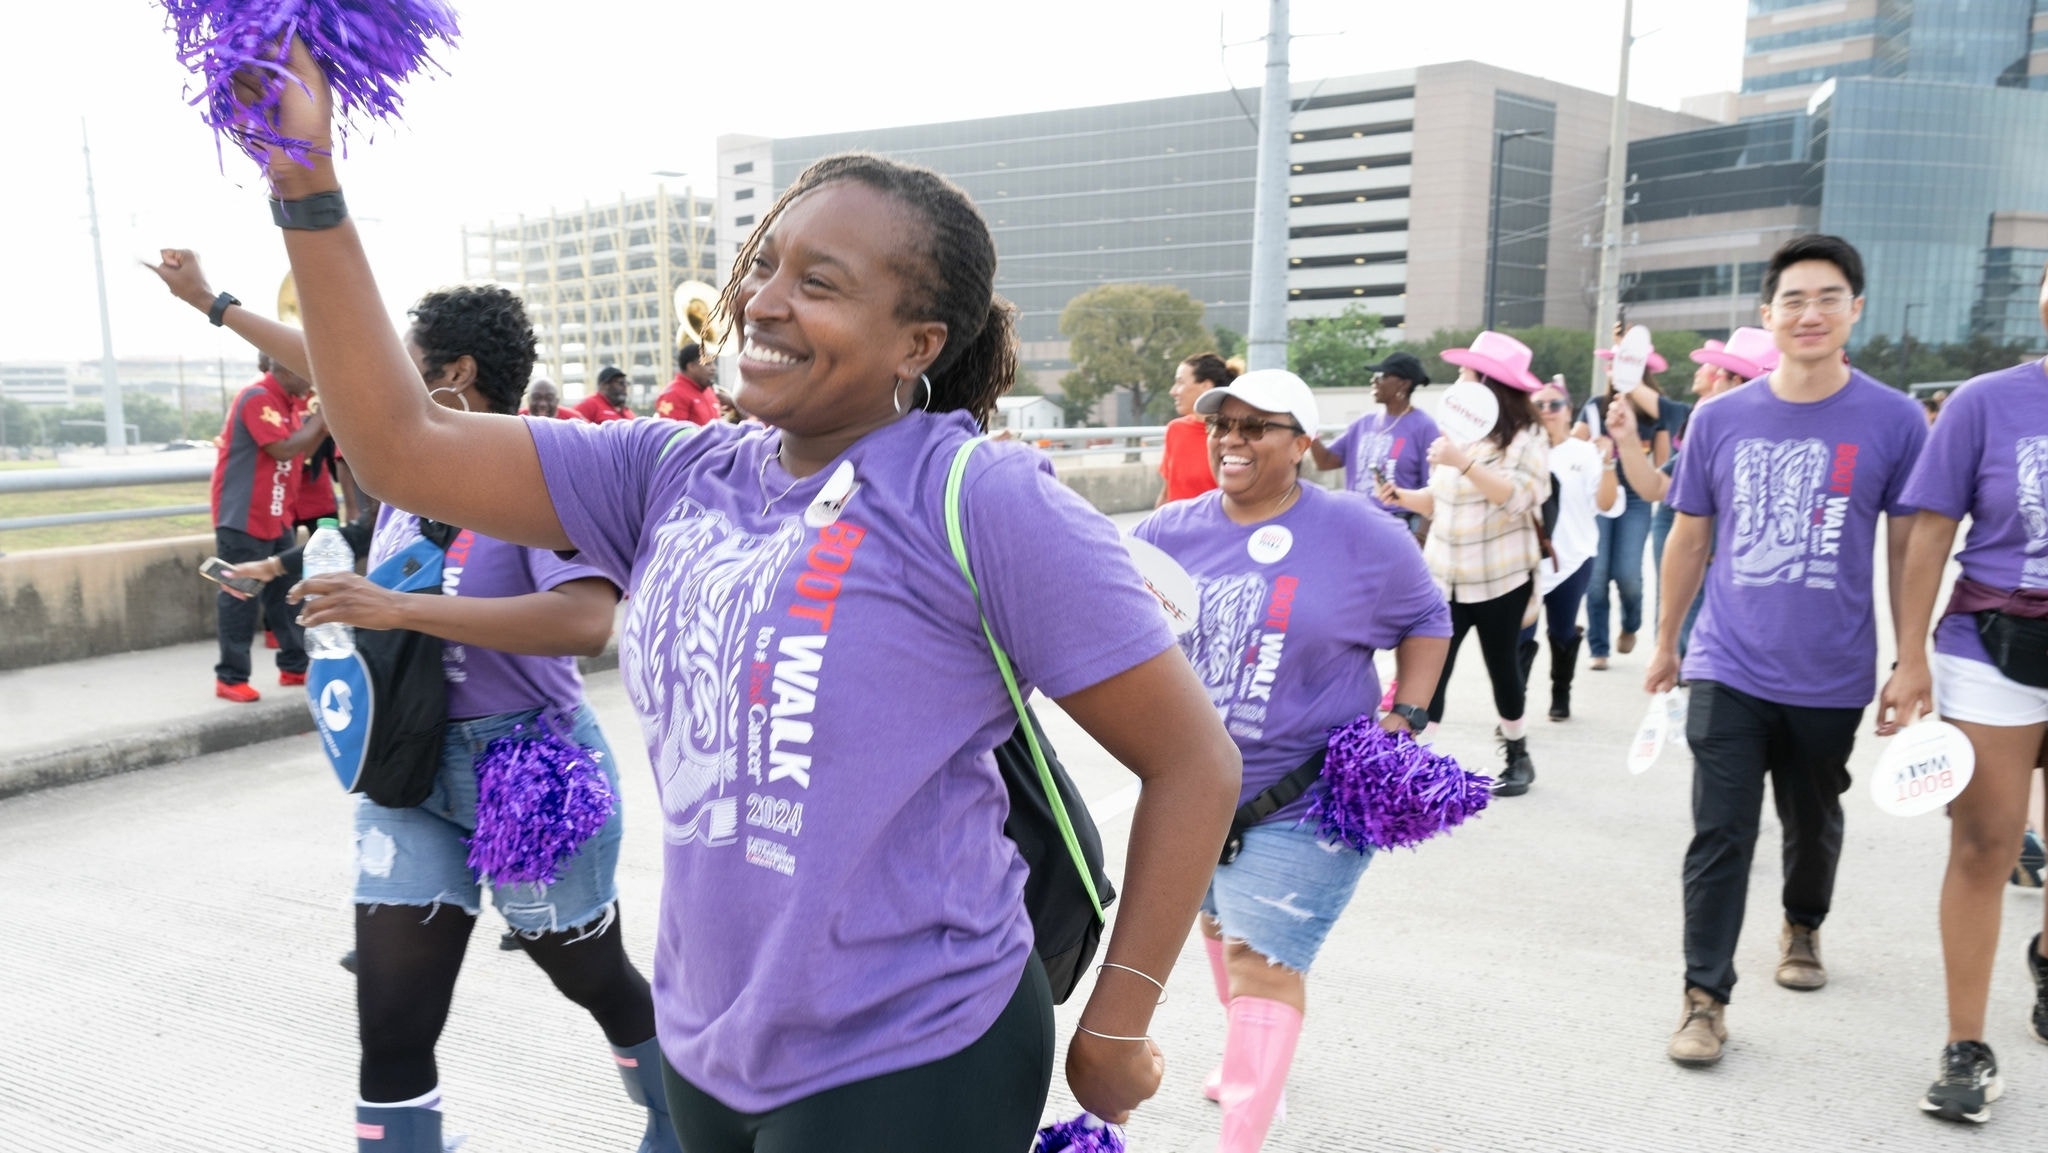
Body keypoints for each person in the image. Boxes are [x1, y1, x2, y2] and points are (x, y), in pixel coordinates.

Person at [231, 44, 1241, 1151]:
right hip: (708, 1039)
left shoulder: (977, 496)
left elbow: (1192, 758)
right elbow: (401, 446)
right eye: (764, 265)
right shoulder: (667, 473)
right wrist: (302, 177)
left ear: (920, 342)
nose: (762, 300)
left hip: (914, 1047)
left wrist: (1119, 1014)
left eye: (819, 284)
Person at [149, 252, 678, 1151]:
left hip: (529, 773)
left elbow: (585, 622)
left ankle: (682, 1115)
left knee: (593, 975)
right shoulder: (406, 459)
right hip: (411, 771)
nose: (376, 366)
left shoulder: (543, 471)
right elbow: (325, 358)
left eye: (404, 352)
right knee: (391, 1021)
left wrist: (396, 607)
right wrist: (212, 302)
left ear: (454, 373)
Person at [1133, 369, 1450, 1152]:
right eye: (1224, 425)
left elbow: (1426, 618)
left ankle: (1244, 1131)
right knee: (1214, 920)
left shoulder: (1360, 531)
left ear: (1301, 443)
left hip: (1307, 790)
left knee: (1262, 956)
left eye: (1256, 427)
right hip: (1191, 786)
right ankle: (1252, 1058)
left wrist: (1405, 715)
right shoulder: (1169, 532)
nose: (1232, 439)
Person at [1649, 233, 1927, 1068]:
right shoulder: (1721, 417)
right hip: (1727, 662)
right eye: (1794, 300)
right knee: (1719, 832)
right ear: (1767, 315)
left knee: (1813, 816)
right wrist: (1667, 641)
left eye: (1828, 297)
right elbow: (1689, 536)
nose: (1810, 313)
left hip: (1832, 670)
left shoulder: (1893, 418)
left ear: (1855, 309)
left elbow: (1908, 547)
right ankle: (1704, 997)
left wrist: (1911, 658)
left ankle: (1803, 924)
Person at [1879, 263, 2048, 1124]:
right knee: (1986, 842)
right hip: (1993, 639)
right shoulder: (1987, 402)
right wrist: (1911, 655)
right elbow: (1933, 529)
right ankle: (1966, 1046)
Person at [1376, 331, 1550, 794]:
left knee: (1503, 671)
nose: (1458, 377)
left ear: (1488, 380)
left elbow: (1519, 498)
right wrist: (1401, 497)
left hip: (1500, 579)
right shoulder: (1458, 430)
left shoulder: (1528, 435)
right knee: (1432, 673)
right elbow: (1441, 500)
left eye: (1466, 370)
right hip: (1442, 578)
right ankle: (1414, 763)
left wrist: (1463, 463)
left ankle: (1518, 755)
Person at [204, 350, 322, 702]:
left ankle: (294, 666)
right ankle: (231, 677)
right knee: (240, 596)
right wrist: (323, 415)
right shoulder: (258, 397)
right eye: (307, 371)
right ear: (285, 367)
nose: (312, 380)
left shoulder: (288, 402)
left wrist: (320, 420)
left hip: (276, 515)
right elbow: (282, 449)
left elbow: (308, 449)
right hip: (242, 517)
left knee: (287, 596)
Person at [1517, 377, 1621, 721]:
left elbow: (1608, 505)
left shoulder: (1585, 453)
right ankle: (1513, 709)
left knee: (1562, 631)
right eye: (1539, 405)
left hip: (1573, 559)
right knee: (1520, 636)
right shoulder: (1519, 449)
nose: (1546, 411)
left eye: (1554, 405)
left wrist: (1607, 463)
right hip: (1525, 562)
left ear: (1568, 412)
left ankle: (1561, 692)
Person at [1573, 341, 1674, 670]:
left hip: (1636, 498)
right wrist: (1591, 448)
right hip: (1600, 494)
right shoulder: (1594, 408)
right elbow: (1569, 451)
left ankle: (1631, 625)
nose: (1619, 371)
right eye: (1615, 365)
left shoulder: (1654, 415)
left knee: (1629, 575)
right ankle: (1598, 647)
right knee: (1597, 576)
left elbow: (1664, 466)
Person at [1309, 351, 1438, 543]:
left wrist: (1420, 537)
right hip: (1356, 523)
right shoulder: (1363, 423)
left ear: (1404, 383)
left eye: (1382, 376)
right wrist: (1308, 429)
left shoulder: (1424, 427)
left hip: (1398, 528)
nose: (1374, 380)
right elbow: (1325, 462)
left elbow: (1434, 489)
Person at [1157, 352, 1233, 505]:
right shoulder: (1175, 429)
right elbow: (1167, 493)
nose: (1173, 391)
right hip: (1176, 526)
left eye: (1180, 383)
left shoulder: (1234, 436)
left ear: (1206, 386)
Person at [654, 342, 721, 425]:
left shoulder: (708, 391)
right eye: (707, 364)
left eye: (713, 363)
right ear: (691, 366)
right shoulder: (673, 394)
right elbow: (674, 434)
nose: (713, 368)